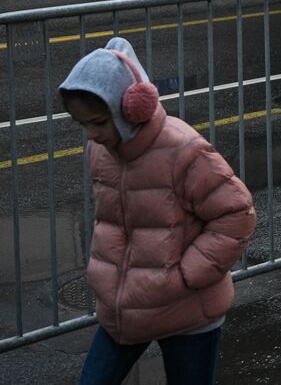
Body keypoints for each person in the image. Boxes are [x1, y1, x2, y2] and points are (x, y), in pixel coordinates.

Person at [59, 37, 256, 385]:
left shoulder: (184, 150)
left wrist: (182, 278)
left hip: (188, 314)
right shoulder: (101, 150)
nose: (91, 135)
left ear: (131, 108)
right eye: (83, 124)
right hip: (123, 311)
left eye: (99, 122)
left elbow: (236, 214)